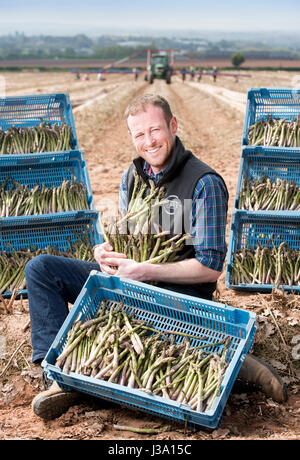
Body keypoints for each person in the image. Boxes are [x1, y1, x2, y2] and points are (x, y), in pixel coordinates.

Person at [27, 94, 287, 420]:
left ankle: (237, 366)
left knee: (164, 339)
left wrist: (147, 271)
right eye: (139, 134)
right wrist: (106, 253)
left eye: (155, 130)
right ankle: (57, 379)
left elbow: (209, 268)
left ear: (173, 126)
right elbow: (130, 243)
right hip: (130, 281)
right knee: (41, 269)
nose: (148, 142)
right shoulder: (131, 178)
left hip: (177, 295)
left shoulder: (204, 183)